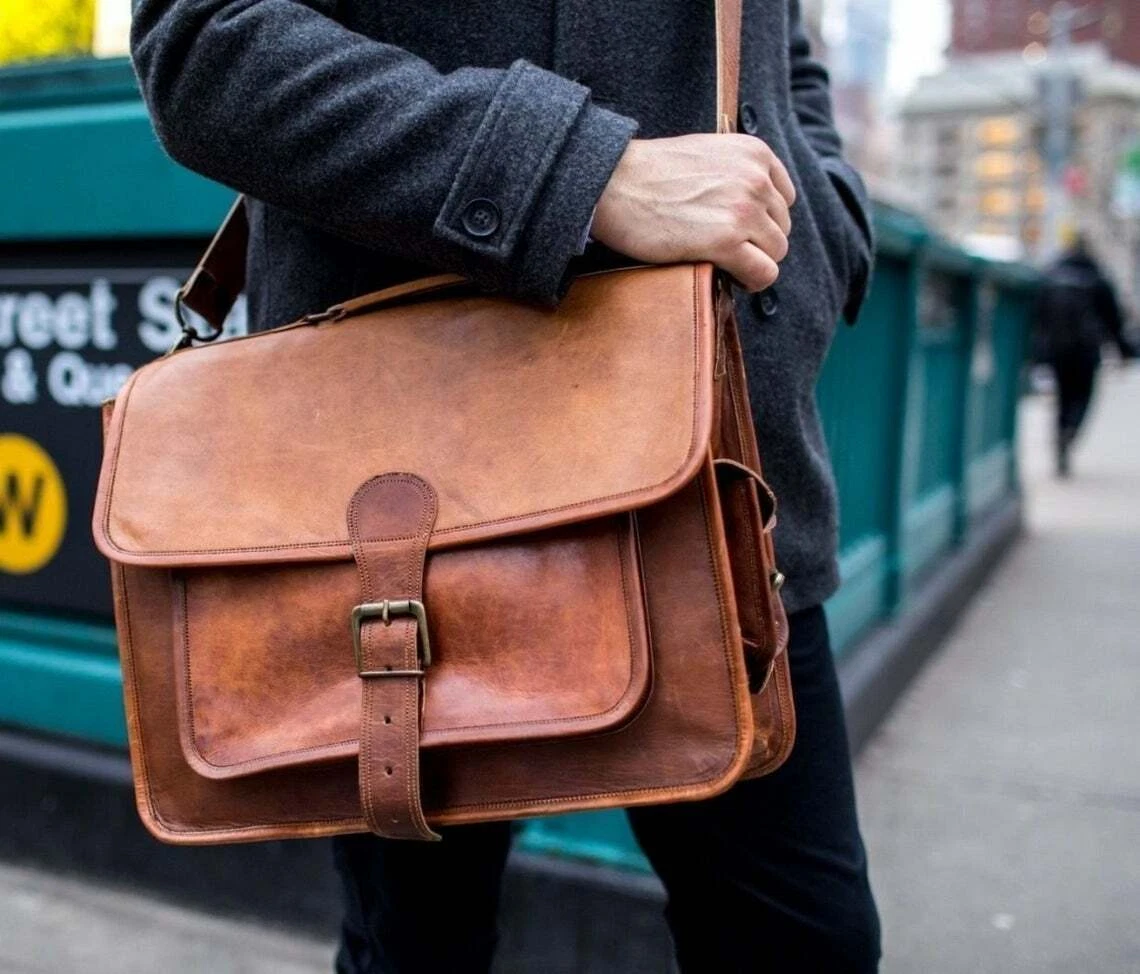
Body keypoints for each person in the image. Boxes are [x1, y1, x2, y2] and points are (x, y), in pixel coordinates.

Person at [129, 1, 881, 970]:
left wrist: (821, 223)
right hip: (403, 481)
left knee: (804, 940)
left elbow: (786, 54)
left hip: (726, 470)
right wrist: (583, 174)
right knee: (417, 944)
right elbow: (204, 45)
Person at [1035, 237, 1134, 477]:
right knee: (1083, 395)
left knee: (1062, 396)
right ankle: (1071, 429)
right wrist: (1123, 350)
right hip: (1087, 349)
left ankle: (1061, 433)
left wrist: (1035, 353)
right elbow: (1114, 320)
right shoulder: (1097, 279)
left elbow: (1036, 317)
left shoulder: (1050, 277)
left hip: (1055, 349)